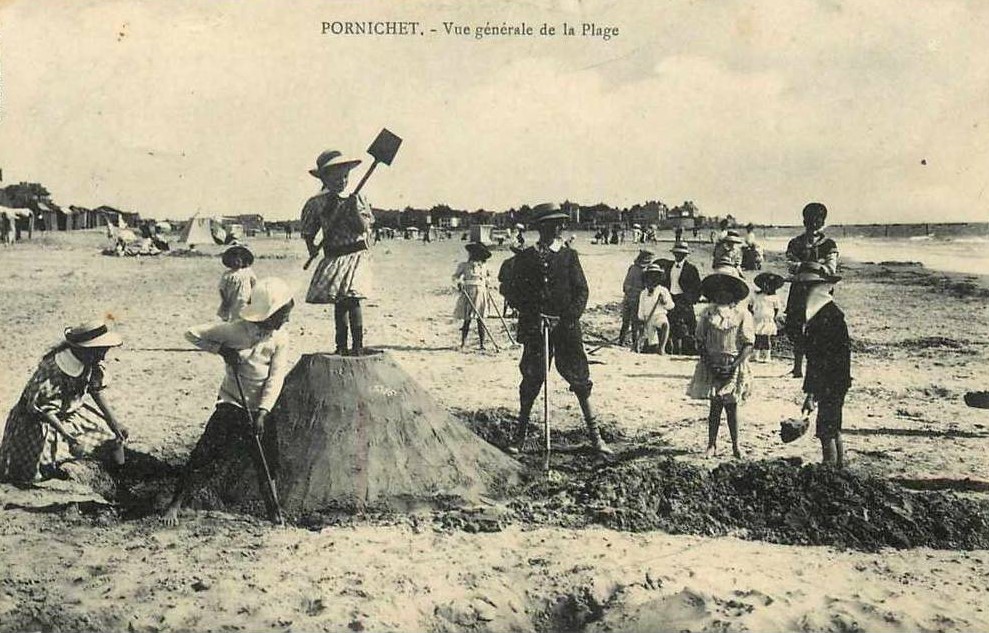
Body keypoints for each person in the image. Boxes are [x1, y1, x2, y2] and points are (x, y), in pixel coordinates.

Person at [162, 278, 294, 525]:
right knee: (206, 454)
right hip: (232, 402)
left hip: (262, 408)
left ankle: (274, 512)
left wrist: (263, 411)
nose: (287, 320)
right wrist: (222, 350)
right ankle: (175, 504)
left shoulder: (280, 337)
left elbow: (275, 378)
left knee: (267, 461)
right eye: (283, 314)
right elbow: (192, 333)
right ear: (269, 314)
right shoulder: (234, 331)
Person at [502, 202, 610, 456]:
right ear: (541, 227)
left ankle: (596, 439)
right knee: (531, 379)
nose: (559, 227)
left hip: (566, 329)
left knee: (579, 378)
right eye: (553, 223)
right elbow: (513, 291)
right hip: (536, 329)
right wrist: (532, 314)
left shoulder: (569, 256)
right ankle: (520, 437)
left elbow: (582, 291)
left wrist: (566, 318)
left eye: (560, 223)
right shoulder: (526, 257)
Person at [0, 320, 128, 482]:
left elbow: (96, 392)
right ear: (82, 349)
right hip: (39, 421)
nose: (102, 356)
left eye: (104, 351)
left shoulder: (92, 361)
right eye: (99, 351)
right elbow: (44, 409)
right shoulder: (54, 369)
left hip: (70, 412)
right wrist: (70, 438)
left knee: (113, 439)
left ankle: (121, 481)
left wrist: (115, 423)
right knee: (38, 469)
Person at [301, 149, 375, 356]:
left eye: (345, 176)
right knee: (340, 302)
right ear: (325, 178)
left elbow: (362, 228)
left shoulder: (357, 198)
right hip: (334, 255)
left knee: (353, 299)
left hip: (356, 254)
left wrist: (352, 209)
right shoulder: (316, 203)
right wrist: (312, 247)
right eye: (336, 177)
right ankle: (341, 345)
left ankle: (358, 345)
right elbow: (308, 230)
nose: (342, 181)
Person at [687, 270, 754, 459]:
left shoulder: (742, 314)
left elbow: (749, 344)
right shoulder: (707, 313)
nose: (722, 294)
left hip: (733, 363)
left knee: (732, 406)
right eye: (718, 291)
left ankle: (736, 445)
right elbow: (700, 342)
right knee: (715, 406)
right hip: (711, 363)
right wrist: (709, 363)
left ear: (734, 293)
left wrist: (733, 365)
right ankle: (712, 444)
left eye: (726, 291)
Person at [798, 263, 852, 468]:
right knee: (833, 422)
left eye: (807, 287)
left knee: (826, 426)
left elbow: (821, 360)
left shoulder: (826, 317)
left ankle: (829, 464)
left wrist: (812, 393)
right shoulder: (827, 313)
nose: (803, 291)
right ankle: (839, 463)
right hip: (837, 377)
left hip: (831, 377)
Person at [784, 202, 839, 378]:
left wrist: (811, 266)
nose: (814, 223)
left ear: (823, 222)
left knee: (820, 325)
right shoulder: (795, 242)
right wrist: (809, 265)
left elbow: (831, 267)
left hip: (820, 288)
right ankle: (797, 367)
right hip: (799, 286)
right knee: (796, 325)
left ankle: (815, 367)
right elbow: (790, 265)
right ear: (804, 221)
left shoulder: (829, 244)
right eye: (810, 220)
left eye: (818, 220)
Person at [662, 242, 701, 355]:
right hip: (671, 298)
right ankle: (671, 349)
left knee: (686, 326)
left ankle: (687, 350)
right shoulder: (669, 266)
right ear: (674, 254)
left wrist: (691, 299)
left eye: (682, 254)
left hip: (684, 300)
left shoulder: (691, 268)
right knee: (671, 323)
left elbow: (697, 287)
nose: (679, 256)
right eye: (677, 254)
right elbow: (665, 282)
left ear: (685, 255)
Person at [453, 242, 493, 350]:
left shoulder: (484, 266)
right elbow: (455, 277)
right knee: (468, 319)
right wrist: (459, 283)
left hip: (481, 293)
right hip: (469, 293)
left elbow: (488, 277)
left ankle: (482, 344)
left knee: (481, 319)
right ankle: (463, 342)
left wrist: (487, 282)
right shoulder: (464, 266)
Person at [618, 250, 654, 348]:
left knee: (629, 322)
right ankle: (631, 342)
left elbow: (625, 286)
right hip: (633, 299)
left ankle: (626, 341)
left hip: (631, 299)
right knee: (632, 322)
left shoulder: (636, 269)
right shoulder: (641, 270)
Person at [637, 264, 675, 354]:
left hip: (659, 315)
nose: (652, 278)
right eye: (650, 276)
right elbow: (641, 307)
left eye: (655, 276)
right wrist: (641, 319)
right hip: (648, 318)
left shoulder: (663, 290)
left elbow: (671, 306)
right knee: (652, 344)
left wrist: (664, 302)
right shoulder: (643, 293)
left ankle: (662, 348)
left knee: (665, 325)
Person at [750, 272, 785, 362]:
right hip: (757, 319)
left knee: (766, 338)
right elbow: (750, 306)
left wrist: (772, 317)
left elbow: (776, 308)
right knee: (757, 337)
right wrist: (753, 313)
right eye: (764, 285)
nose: (766, 287)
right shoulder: (757, 296)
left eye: (769, 285)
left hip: (767, 320)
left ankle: (767, 356)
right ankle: (755, 355)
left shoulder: (774, 297)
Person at [217, 244, 257, 322]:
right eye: (233, 261)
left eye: (238, 261)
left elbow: (254, 283)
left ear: (243, 262)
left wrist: (252, 296)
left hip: (245, 298)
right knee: (232, 316)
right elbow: (221, 288)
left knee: (243, 315)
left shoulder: (248, 271)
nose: (236, 263)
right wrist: (224, 300)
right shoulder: (228, 274)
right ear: (230, 263)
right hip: (231, 299)